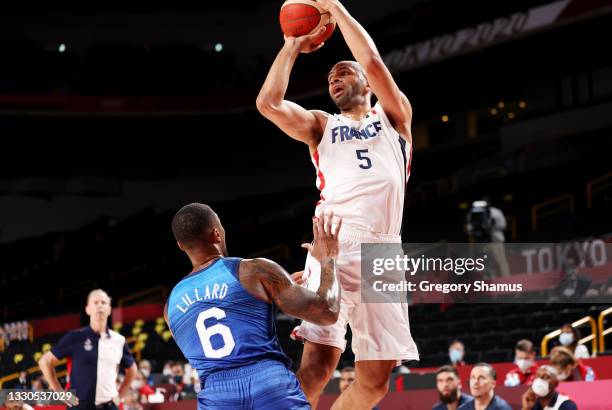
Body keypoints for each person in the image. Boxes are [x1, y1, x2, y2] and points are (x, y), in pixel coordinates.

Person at [256, 0, 419, 407]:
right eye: (330, 76)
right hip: (333, 243)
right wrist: (293, 44)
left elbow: (375, 61)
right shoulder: (321, 125)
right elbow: (268, 104)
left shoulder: (394, 119)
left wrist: (335, 8)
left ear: (368, 85)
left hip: (382, 251)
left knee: (377, 380)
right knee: (317, 367)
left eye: (345, 71)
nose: (335, 77)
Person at [165, 203, 342, 409]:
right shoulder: (252, 270)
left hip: (216, 396)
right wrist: (328, 260)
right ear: (217, 233)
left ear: (180, 245)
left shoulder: (170, 306)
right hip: (267, 382)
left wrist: (275, 290)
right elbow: (327, 311)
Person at [38, 289, 138, 409]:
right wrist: (59, 391)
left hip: (108, 406)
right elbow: (45, 361)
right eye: (95, 302)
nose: (100, 305)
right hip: (79, 406)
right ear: (88, 309)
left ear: (109, 309)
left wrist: (121, 395)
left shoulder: (119, 340)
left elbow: (132, 370)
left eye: (103, 302)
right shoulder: (75, 337)